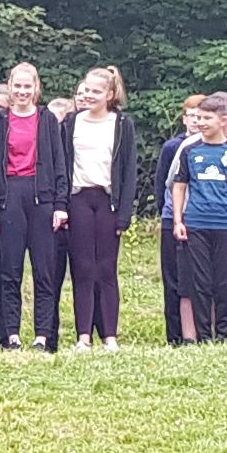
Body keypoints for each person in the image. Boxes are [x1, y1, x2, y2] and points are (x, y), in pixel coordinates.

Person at [0, 64, 73, 351]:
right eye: (17, 86)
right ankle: (12, 335)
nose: (22, 91)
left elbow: (59, 164)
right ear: (10, 87)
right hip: (10, 197)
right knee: (10, 270)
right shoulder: (0, 121)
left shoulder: (47, 119)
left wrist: (60, 204)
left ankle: (42, 335)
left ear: (36, 88)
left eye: (27, 86)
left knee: (44, 270)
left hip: (42, 197)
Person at [56, 68, 140, 350]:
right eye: (87, 90)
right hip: (79, 199)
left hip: (108, 202)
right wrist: (61, 205)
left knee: (106, 268)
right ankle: (83, 336)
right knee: (82, 268)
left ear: (110, 94)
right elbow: (62, 166)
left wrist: (124, 214)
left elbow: (129, 171)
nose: (90, 96)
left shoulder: (122, 124)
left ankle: (110, 336)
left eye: (96, 91)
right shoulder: (71, 122)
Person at [165, 95, 227, 345]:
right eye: (198, 117)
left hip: (226, 225)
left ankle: (222, 335)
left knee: (224, 283)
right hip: (196, 224)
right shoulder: (190, 151)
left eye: (207, 118)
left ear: (225, 120)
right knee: (199, 283)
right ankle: (203, 336)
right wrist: (178, 221)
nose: (201, 122)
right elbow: (179, 186)